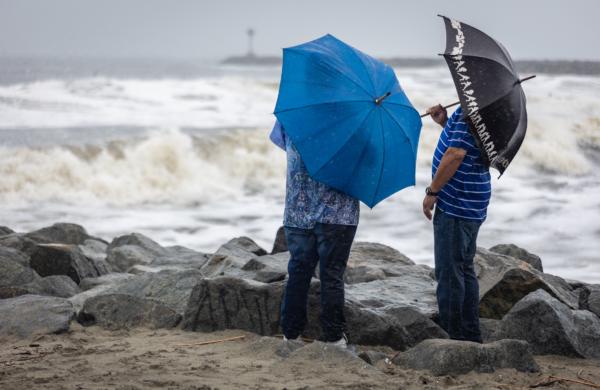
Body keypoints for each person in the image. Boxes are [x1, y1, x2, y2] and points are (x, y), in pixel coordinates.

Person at [270, 120, 359, 348]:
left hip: (298, 209)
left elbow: (282, 143)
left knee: (298, 271)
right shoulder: (353, 120)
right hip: (338, 213)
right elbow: (365, 160)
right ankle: (333, 338)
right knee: (331, 275)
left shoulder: (292, 113)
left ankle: (290, 334)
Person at [422, 104, 491, 343]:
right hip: (473, 199)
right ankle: (470, 334)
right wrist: (445, 122)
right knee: (463, 268)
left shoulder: (468, 111)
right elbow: (470, 147)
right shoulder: (481, 111)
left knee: (450, 272)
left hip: (457, 202)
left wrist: (432, 191)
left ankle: (454, 337)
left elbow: (456, 154)